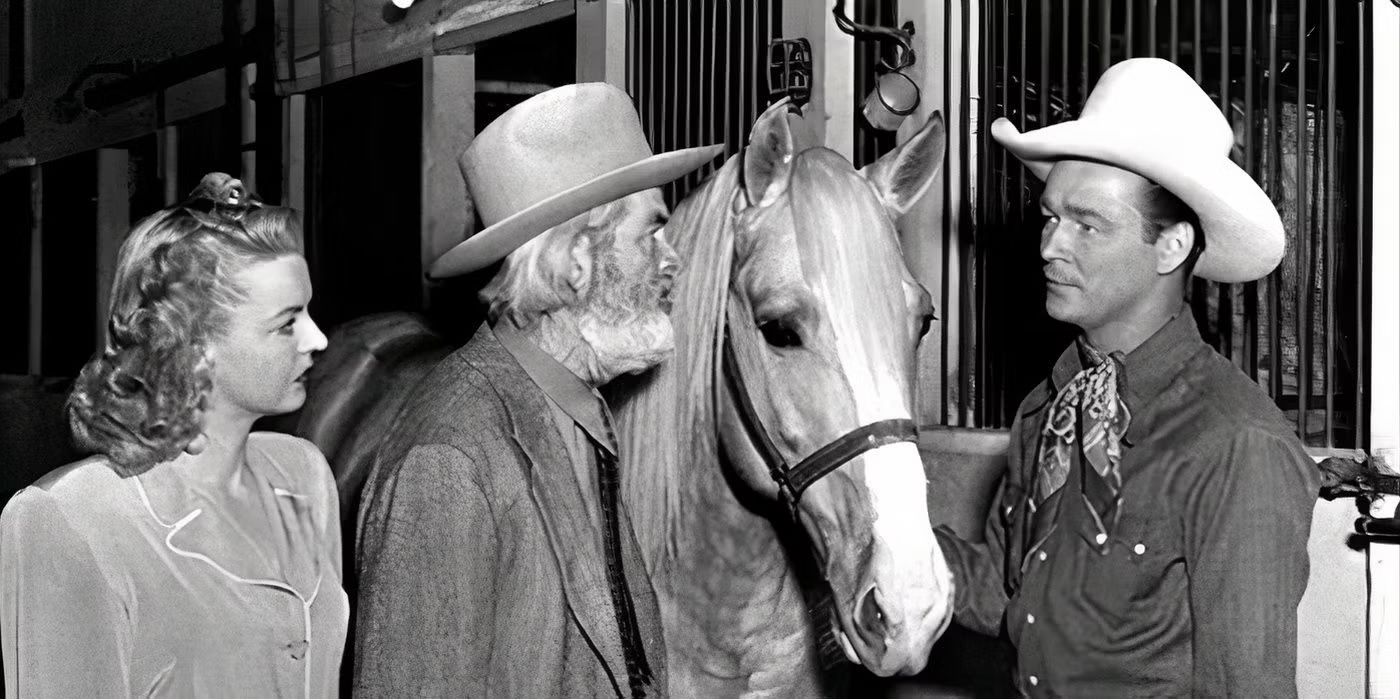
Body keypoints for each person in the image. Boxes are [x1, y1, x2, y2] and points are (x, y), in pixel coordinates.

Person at [931, 58, 1321, 697]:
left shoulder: (1235, 444)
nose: (1050, 246)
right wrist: (878, 534)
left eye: (1088, 224)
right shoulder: (1048, 409)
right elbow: (1013, 598)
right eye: (1050, 217)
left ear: (1171, 246)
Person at [351, 83, 722, 697]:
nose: (672, 257)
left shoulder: (574, 409)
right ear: (578, 258)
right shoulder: (449, 459)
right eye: (650, 232)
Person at [0, 174, 342, 698]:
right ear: (195, 346)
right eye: (286, 322)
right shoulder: (70, 517)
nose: (316, 339)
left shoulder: (305, 474)